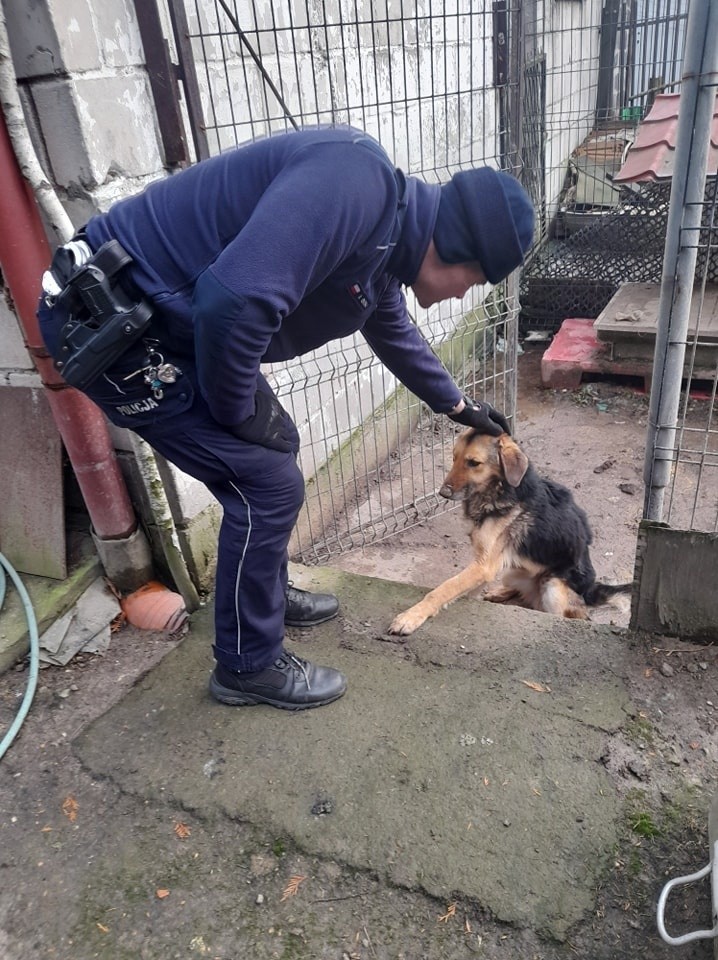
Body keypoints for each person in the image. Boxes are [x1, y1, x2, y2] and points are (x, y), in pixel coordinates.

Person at [37, 125, 534, 711]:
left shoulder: (384, 236)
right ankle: (248, 665)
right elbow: (235, 302)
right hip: (113, 327)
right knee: (266, 483)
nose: (461, 296)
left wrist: (456, 405)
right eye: (473, 280)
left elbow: (389, 325)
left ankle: (262, 599)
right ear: (456, 245)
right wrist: (235, 412)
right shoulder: (357, 183)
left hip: (171, 327)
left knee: (276, 453)